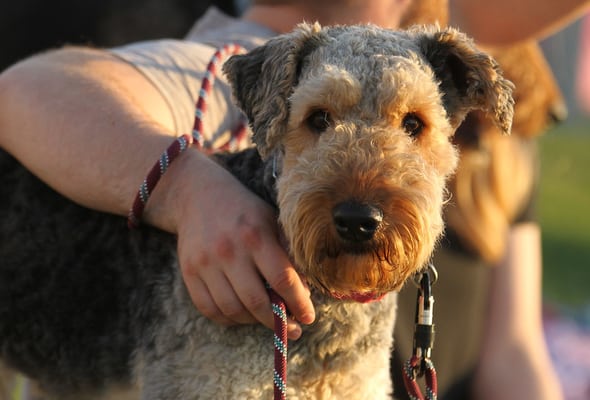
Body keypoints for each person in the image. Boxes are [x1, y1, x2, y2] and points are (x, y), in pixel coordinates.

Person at [0, 0, 589, 399]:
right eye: (321, 120)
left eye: (411, 126)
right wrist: (187, 189)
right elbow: (21, 90)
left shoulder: (475, 108)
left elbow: (515, 352)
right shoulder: (226, 64)